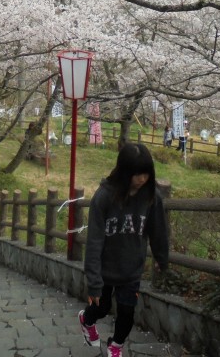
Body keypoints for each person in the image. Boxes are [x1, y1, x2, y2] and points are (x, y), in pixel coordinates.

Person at [78, 143, 169, 357]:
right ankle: (86, 319)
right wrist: (94, 282)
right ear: (124, 171)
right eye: (137, 174)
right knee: (102, 307)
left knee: (127, 314)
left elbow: (158, 230)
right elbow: (94, 241)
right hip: (105, 268)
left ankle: (115, 346)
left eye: (146, 174)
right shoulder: (104, 197)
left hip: (131, 269)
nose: (142, 179)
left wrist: (161, 258)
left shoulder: (151, 197)